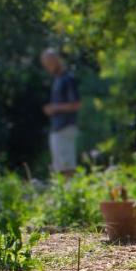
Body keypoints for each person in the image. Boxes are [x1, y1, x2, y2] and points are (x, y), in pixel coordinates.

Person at [41, 49, 81, 178]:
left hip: (66, 127)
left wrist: (54, 108)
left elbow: (76, 104)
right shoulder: (56, 79)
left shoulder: (67, 79)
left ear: (56, 60)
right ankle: (63, 194)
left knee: (66, 166)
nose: (47, 67)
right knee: (58, 167)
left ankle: (70, 193)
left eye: (49, 63)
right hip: (57, 128)